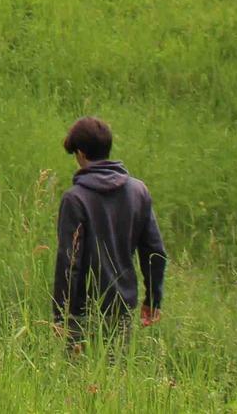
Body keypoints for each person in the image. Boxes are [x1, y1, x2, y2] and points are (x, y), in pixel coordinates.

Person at [52, 116, 166, 349]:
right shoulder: (138, 192)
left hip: (82, 314)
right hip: (122, 307)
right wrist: (153, 300)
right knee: (114, 377)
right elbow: (154, 252)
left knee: (78, 380)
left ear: (81, 153)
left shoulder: (75, 199)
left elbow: (68, 262)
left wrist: (61, 316)